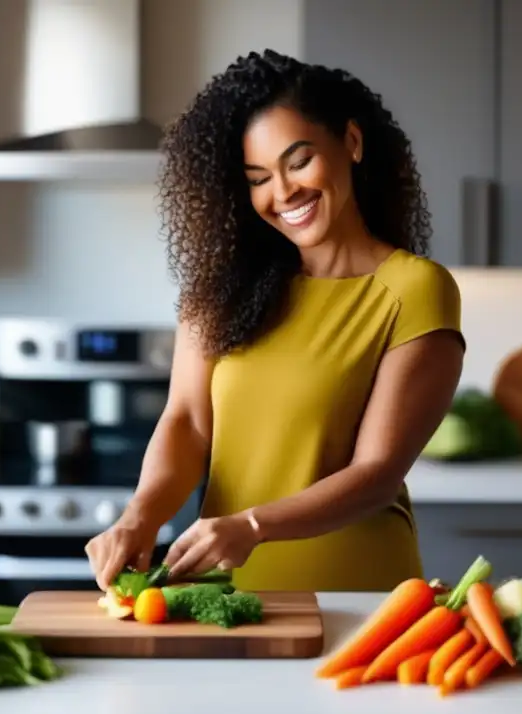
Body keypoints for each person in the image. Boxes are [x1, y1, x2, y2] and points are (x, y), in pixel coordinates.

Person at [85, 49, 465, 593]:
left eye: (299, 161)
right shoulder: (221, 291)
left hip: (354, 596)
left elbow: (376, 473)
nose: (283, 192)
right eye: (258, 177)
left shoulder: (414, 289)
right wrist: (139, 516)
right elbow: (187, 423)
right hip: (221, 594)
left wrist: (253, 526)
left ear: (352, 144)